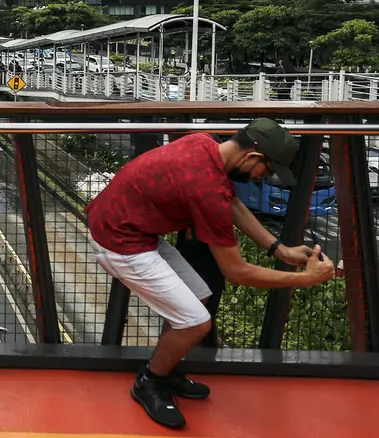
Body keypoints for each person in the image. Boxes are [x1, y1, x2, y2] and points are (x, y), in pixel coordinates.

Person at [86, 118, 337, 429]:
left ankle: (168, 369)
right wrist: (305, 279)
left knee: (198, 298)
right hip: (118, 239)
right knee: (195, 323)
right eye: (267, 171)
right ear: (253, 157)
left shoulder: (204, 144)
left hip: (133, 227)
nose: (263, 178)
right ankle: (150, 382)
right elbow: (237, 272)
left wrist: (280, 249)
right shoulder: (206, 190)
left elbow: (231, 201)